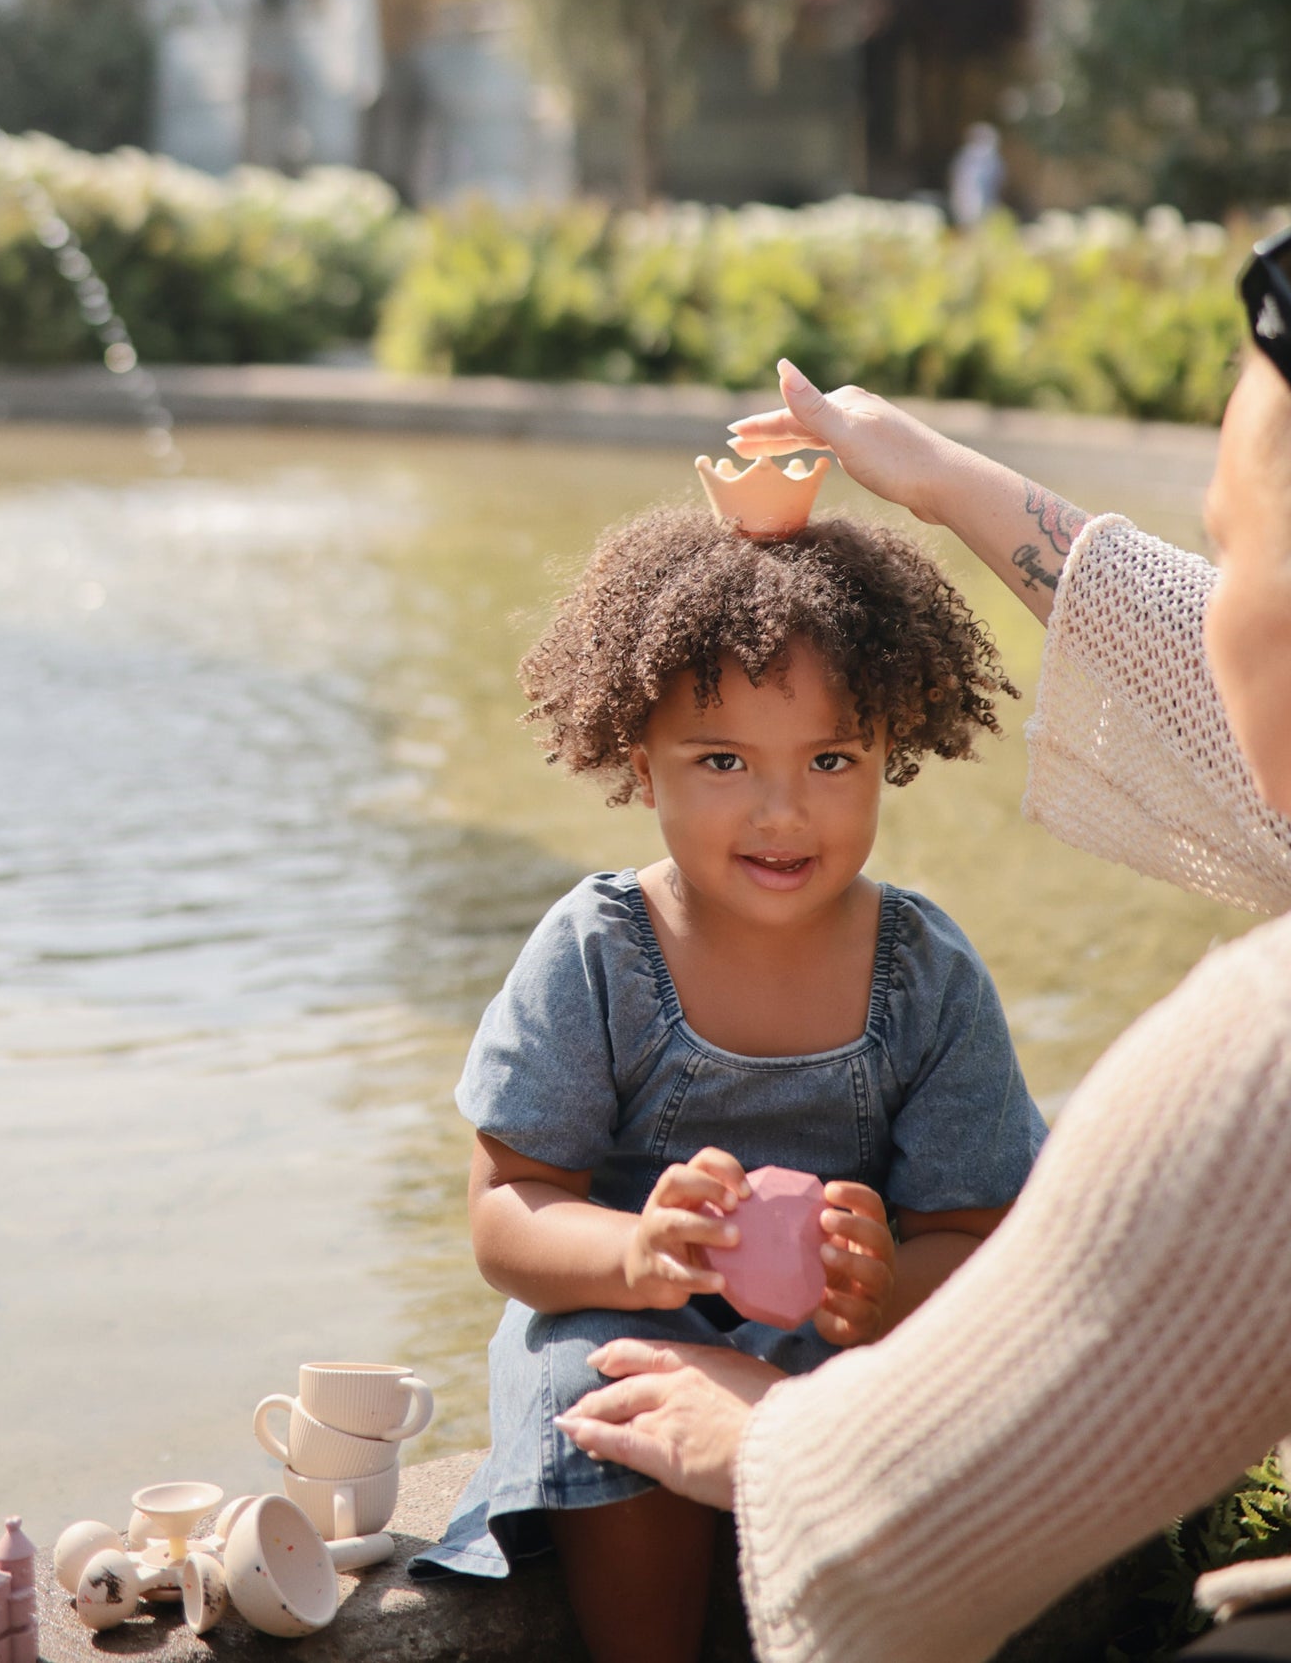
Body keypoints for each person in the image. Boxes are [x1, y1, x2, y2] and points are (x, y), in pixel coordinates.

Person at [557, 228, 1291, 1663]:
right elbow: (1256, 714)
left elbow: (895, 1555)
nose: (1205, 604)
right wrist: (943, 482)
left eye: (1226, 548)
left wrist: (769, 1440)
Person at [411, 505, 1050, 1663]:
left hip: (829, 1344)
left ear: (888, 749)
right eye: (720, 761)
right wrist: (635, 1254)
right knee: (605, 1383)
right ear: (633, 758)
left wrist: (884, 1287)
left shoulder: (925, 971)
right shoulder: (595, 950)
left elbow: (975, 1226)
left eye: (829, 758)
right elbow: (506, 1207)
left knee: (919, 1399)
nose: (780, 810)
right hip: (626, 1323)